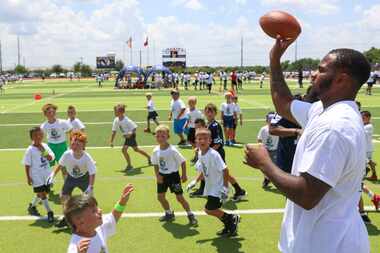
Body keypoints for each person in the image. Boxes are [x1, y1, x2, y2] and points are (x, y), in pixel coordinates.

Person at [245, 36, 371, 252]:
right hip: (323, 240)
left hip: (327, 245)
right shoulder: (323, 110)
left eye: (321, 70)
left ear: (341, 80)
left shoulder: (334, 126)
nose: (313, 74)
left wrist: (265, 163)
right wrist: (274, 60)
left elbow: (307, 194)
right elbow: (283, 103)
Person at [189, 103, 247, 202]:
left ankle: (238, 190)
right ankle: (203, 189)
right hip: (210, 152)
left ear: (215, 113)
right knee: (206, 169)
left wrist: (208, 153)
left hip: (217, 153)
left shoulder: (215, 125)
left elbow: (218, 142)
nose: (209, 113)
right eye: (207, 111)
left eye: (211, 111)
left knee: (223, 172)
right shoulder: (208, 124)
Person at [194, 128, 240, 236]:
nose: (202, 141)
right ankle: (230, 224)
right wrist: (195, 181)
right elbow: (204, 170)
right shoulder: (200, 153)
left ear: (210, 141)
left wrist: (225, 187)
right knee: (212, 209)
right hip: (211, 187)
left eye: (205, 139)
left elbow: (225, 170)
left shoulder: (214, 154)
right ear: (196, 141)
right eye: (199, 139)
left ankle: (231, 218)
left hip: (218, 187)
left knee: (209, 209)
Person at [47, 131, 97, 228]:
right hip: (71, 178)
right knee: (63, 197)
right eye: (73, 143)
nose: (74, 146)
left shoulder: (87, 157)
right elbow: (60, 165)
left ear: (83, 145)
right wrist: (52, 174)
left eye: (77, 144)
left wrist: (90, 186)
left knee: (90, 199)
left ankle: (94, 217)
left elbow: (92, 173)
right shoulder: (67, 154)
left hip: (84, 179)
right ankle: (66, 218)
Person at [65, 184, 134, 253]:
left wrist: (122, 202)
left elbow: (113, 217)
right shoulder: (75, 246)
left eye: (97, 208)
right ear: (81, 222)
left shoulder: (98, 228)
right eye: (94, 211)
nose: (100, 210)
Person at [151, 125, 198, 225]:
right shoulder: (155, 150)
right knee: (160, 197)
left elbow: (183, 162)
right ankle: (169, 213)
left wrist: (184, 175)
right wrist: (157, 175)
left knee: (179, 198)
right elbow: (155, 164)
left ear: (168, 137)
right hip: (162, 176)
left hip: (173, 177)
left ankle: (190, 214)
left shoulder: (172, 150)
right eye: (158, 136)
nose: (160, 138)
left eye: (163, 136)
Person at [23, 127, 55, 223]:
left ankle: (32, 206)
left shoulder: (45, 146)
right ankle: (50, 212)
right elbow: (27, 165)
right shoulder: (30, 150)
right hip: (36, 176)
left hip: (46, 174)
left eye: (40, 134)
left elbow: (51, 158)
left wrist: (43, 151)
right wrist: (28, 177)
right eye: (36, 135)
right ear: (32, 137)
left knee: (43, 192)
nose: (38, 137)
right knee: (42, 194)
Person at [110, 104, 151, 171]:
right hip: (127, 137)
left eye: (116, 111)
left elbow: (134, 128)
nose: (114, 113)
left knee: (124, 150)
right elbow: (114, 131)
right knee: (136, 149)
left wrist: (130, 134)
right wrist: (111, 141)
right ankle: (149, 157)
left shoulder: (127, 120)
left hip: (131, 136)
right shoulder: (116, 120)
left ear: (121, 112)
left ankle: (129, 165)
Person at [257, 112, 279, 188]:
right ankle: (266, 179)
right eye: (269, 119)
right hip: (265, 150)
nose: (270, 121)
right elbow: (259, 139)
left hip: (275, 150)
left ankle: (276, 180)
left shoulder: (278, 128)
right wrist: (260, 148)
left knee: (275, 166)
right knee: (265, 166)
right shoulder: (263, 129)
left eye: (272, 119)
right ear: (267, 120)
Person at [184, 96, 203, 161]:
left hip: (196, 129)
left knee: (196, 142)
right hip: (190, 128)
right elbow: (188, 118)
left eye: (192, 102)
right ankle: (197, 152)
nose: (190, 103)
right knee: (189, 140)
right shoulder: (187, 110)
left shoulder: (198, 112)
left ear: (195, 103)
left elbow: (201, 121)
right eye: (189, 102)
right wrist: (186, 124)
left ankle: (197, 156)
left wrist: (200, 128)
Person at [362, 111, 377, 181]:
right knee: (368, 161)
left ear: (368, 118)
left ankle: (365, 174)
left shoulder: (369, 126)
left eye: (363, 118)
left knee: (366, 161)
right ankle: (373, 175)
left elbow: (361, 133)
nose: (362, 119)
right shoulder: (364, 125)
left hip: (367, 148)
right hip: (365, 148)